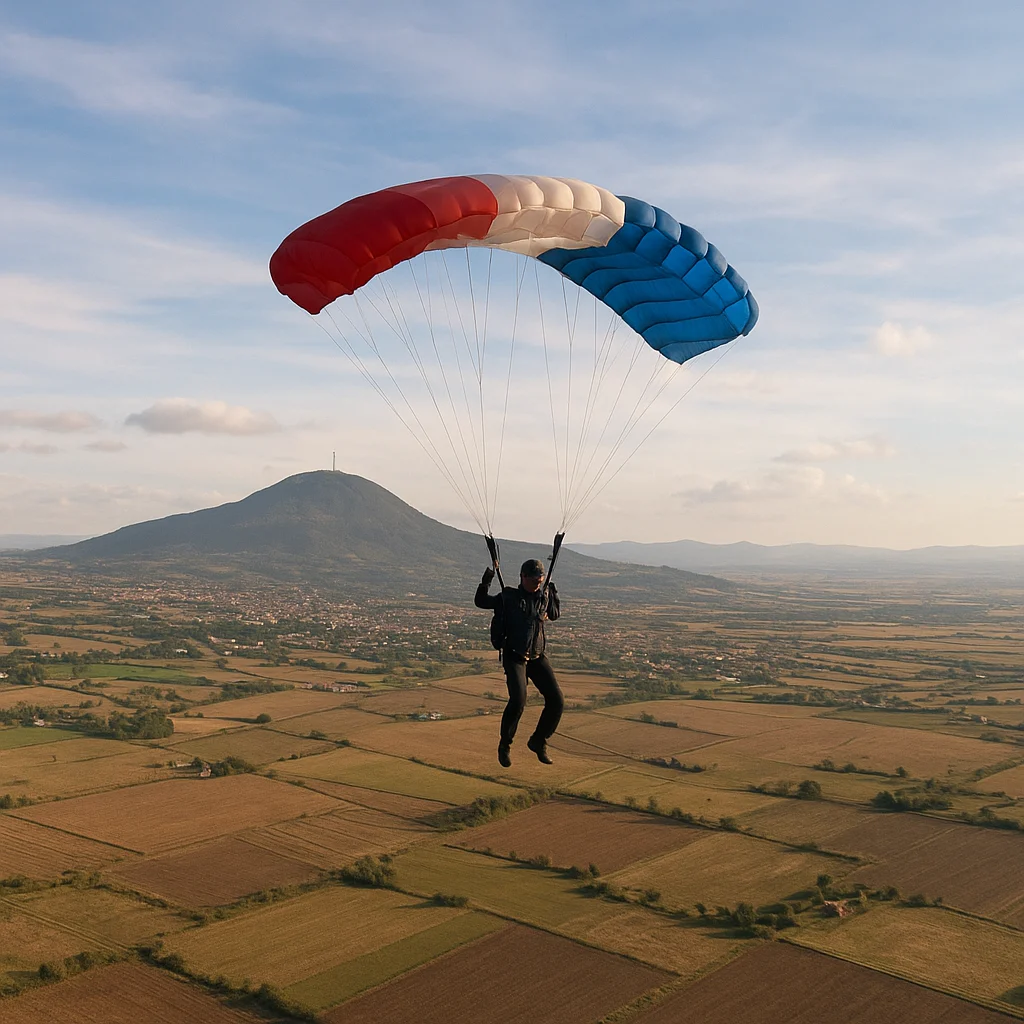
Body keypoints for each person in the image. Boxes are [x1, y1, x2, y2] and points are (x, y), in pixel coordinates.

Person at [475, 558, 564, 768]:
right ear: (522, 578)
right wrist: (487, 578)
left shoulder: (544, 596)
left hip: (537, 656)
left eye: (540, 579)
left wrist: (553, 592)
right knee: (518, 700)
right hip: (514, 656)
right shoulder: (508, 597)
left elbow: (555, 614)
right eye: (533, 579)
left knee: (557, 700)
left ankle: (538, 740)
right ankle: (505, 745)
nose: (537, 583)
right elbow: (481, 601)